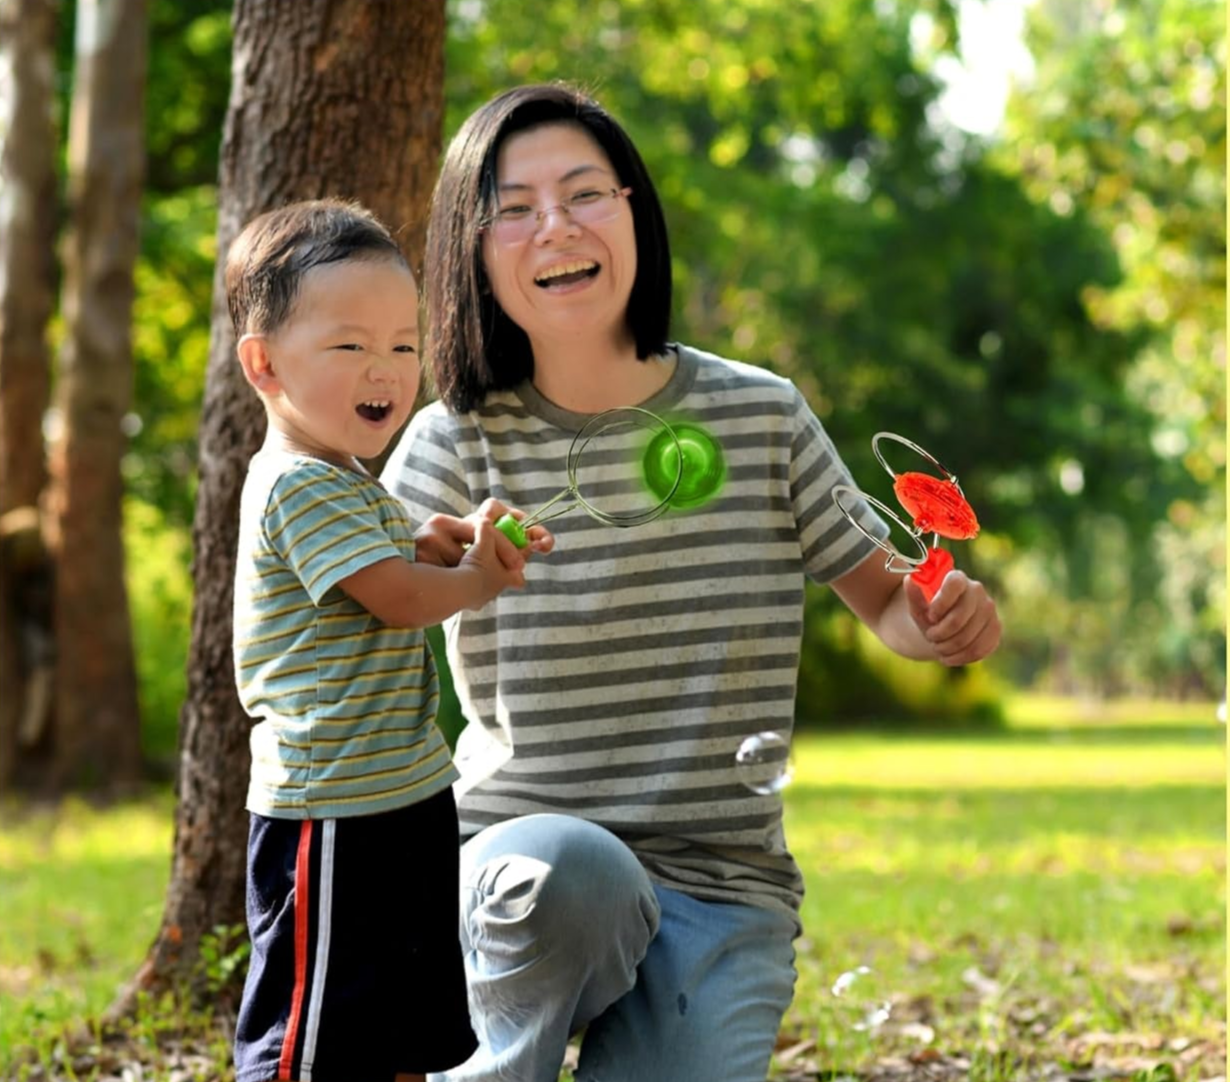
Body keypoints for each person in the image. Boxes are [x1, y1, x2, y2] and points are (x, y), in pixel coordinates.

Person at [382, 84, 1002, 1082]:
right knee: (566, 872)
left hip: (720, 885)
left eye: (586, 193)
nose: (555, 227)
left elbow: (887, 596)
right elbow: (375, 599)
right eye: (513, 206)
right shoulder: (453, 439)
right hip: (522, 867)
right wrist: (436, 559)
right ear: (470, 245)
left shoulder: (761, 415)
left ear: (634, 212)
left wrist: (939, 617)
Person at [225, 198, 550, 1082]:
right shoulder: (300, 483)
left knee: (406, 1015)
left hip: (398, 795)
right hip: (332, 809)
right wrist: (475, 578)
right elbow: (400, 600)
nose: (387, 369)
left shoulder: (344, 478)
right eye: (349, 346)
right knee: (316, 1028)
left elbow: (388, 558)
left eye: (403, 346)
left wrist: (437, 536)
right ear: (264, 364)